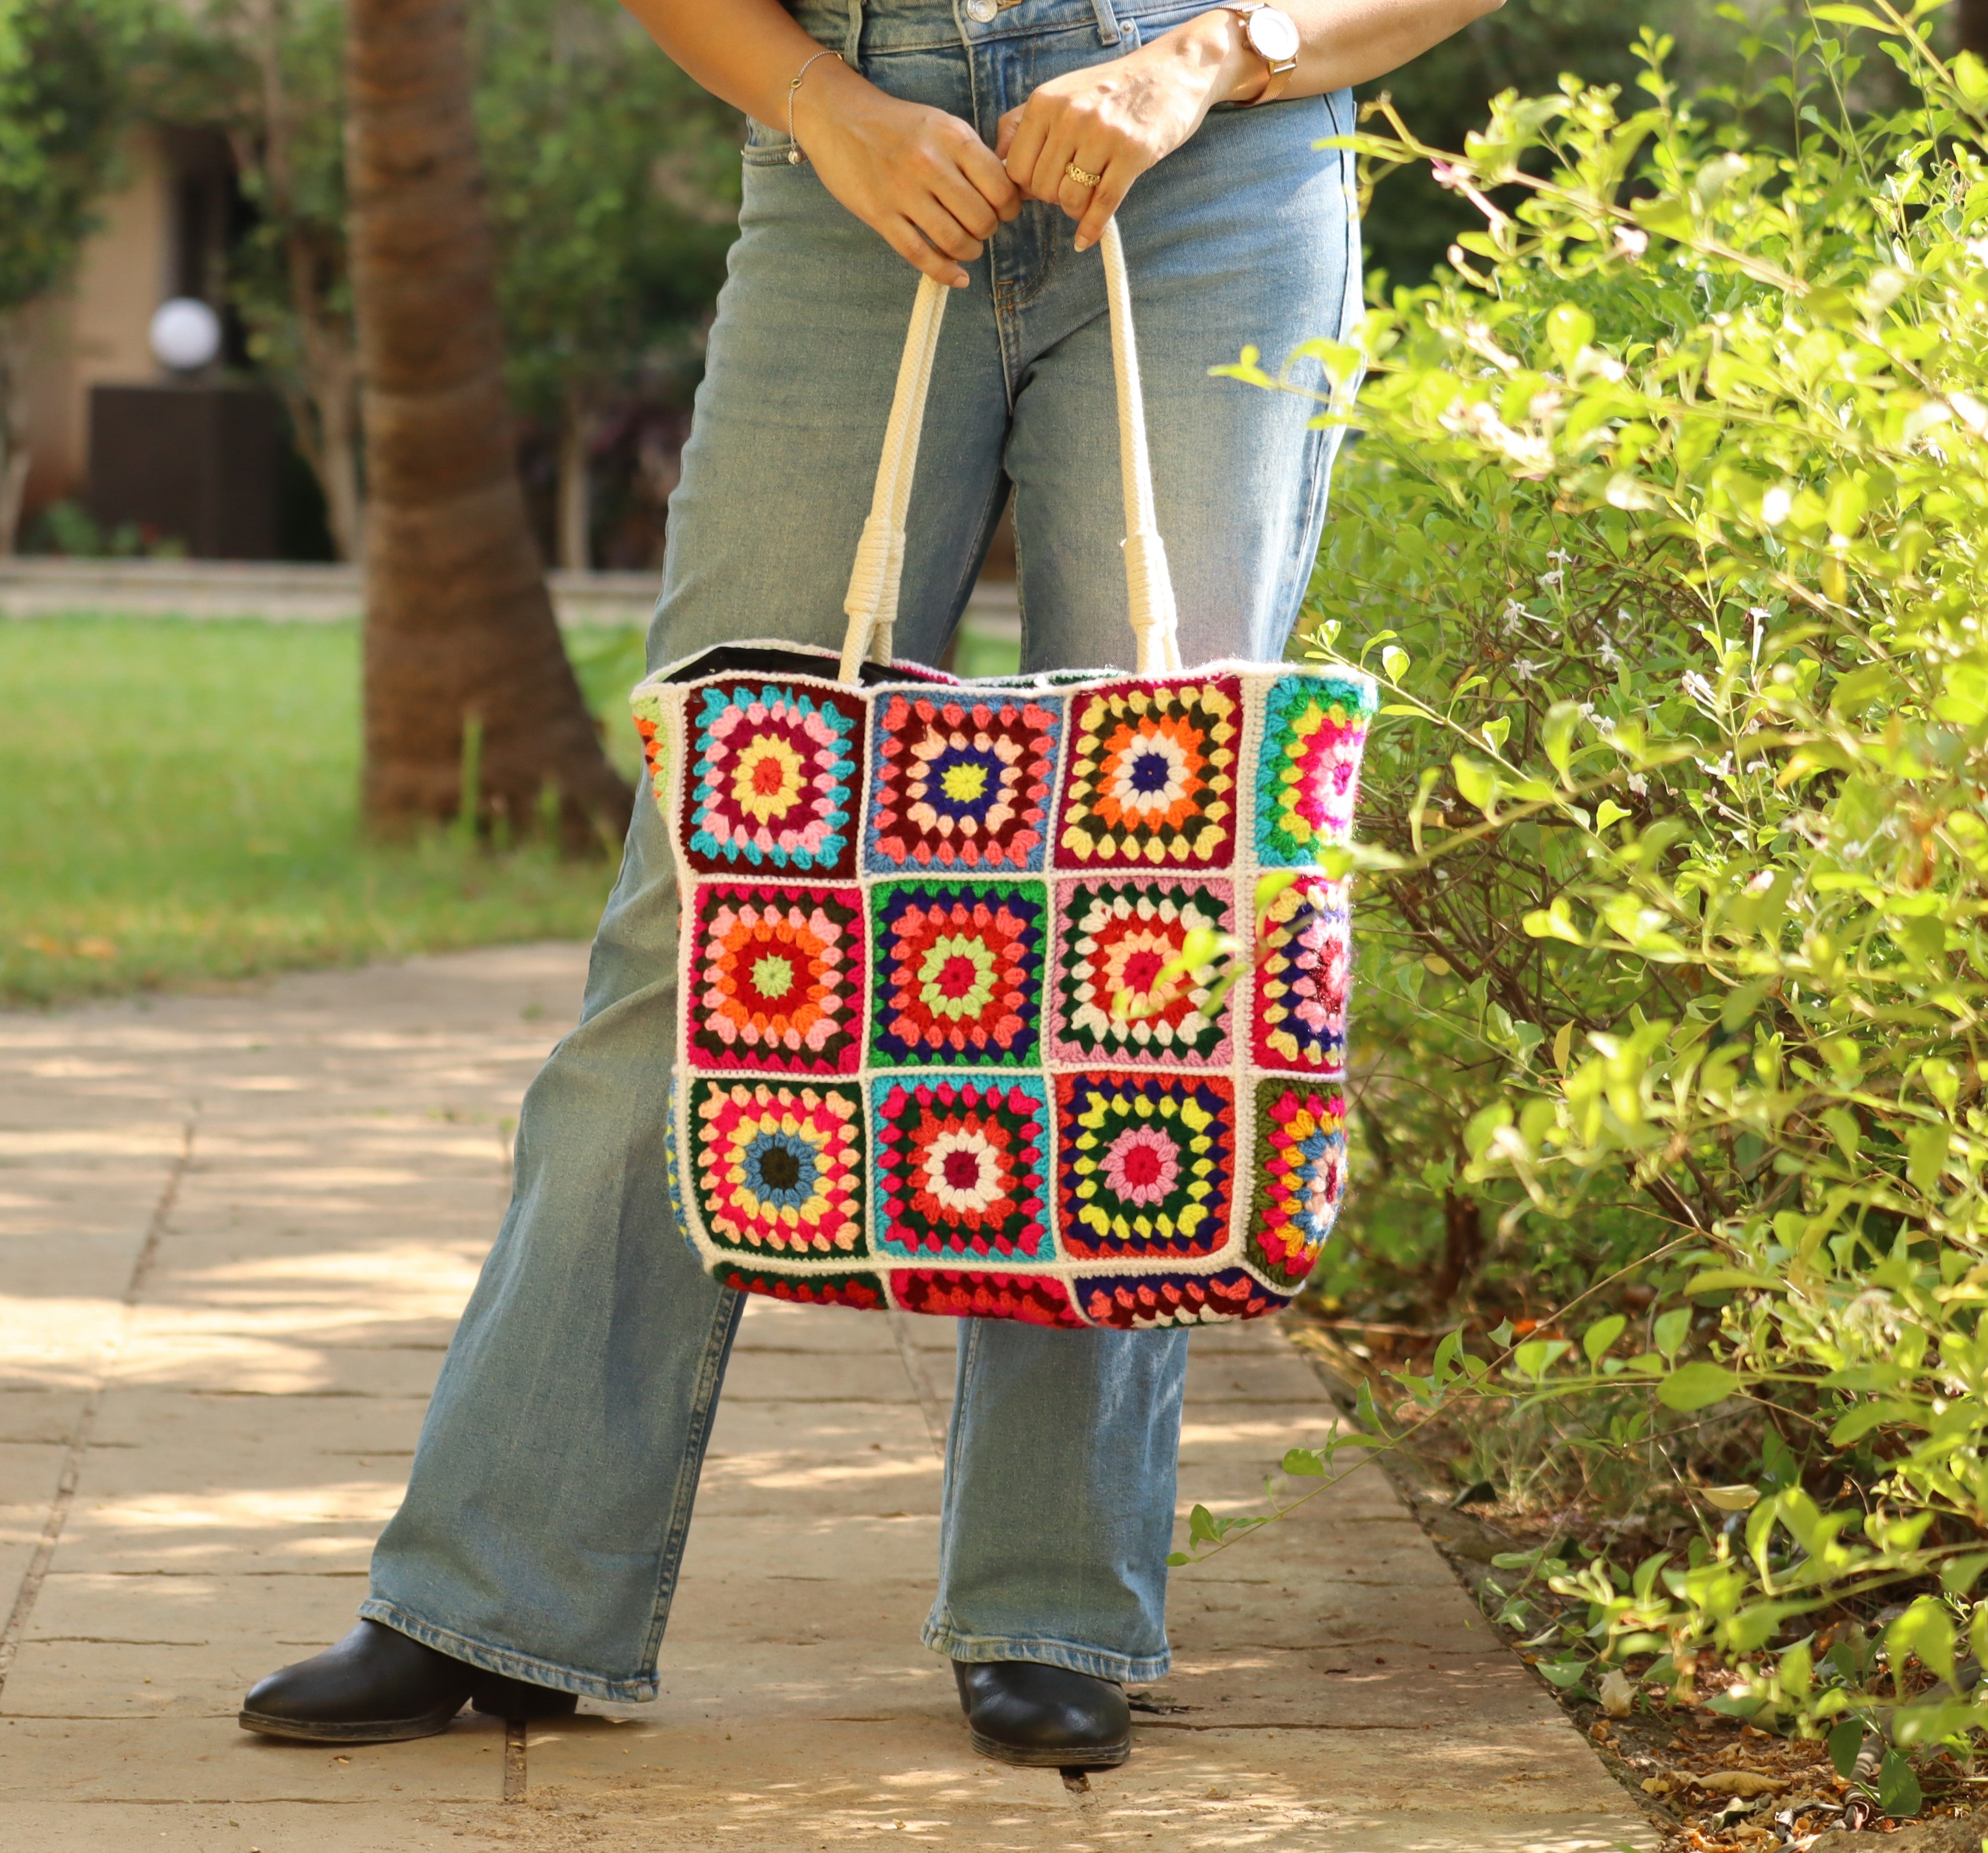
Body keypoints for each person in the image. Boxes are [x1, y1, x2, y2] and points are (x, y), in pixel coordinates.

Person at [240, 0, 1501, 1769]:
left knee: (1141, 923)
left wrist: (1210, 53)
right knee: (713, 892)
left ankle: (1056, 1609)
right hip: (850, 157)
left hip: (1211, 175)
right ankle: (496, 1596)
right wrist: (819, 102)